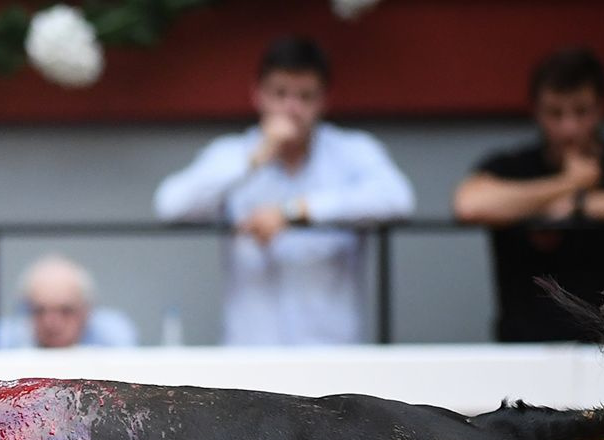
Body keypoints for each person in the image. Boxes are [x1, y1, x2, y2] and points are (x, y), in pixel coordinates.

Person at [153, 36, 413, 346]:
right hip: (251, 350)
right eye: (280, 94)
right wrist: (254, 159)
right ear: (257, 95)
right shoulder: (233, 153)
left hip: (332, 351)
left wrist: (294, 211)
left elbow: (398, 198)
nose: (291, 108)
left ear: (324, 100)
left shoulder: (351, 151)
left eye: (305, 96)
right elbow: (169, 204)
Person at [453, 47, 604, 342]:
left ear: (602, 110)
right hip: (522, 347)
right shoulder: (513, 166)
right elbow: (469, 204)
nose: (569, 128)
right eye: (555, 113)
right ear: (537, 112)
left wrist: (579, 204)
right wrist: (569, 182)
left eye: (581, 112)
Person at [0, 254, 138, 349]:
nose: (51, 323)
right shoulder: (4, 339)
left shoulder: (112, 335)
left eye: (65, 311)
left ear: (86, 310)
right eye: (40, 311)